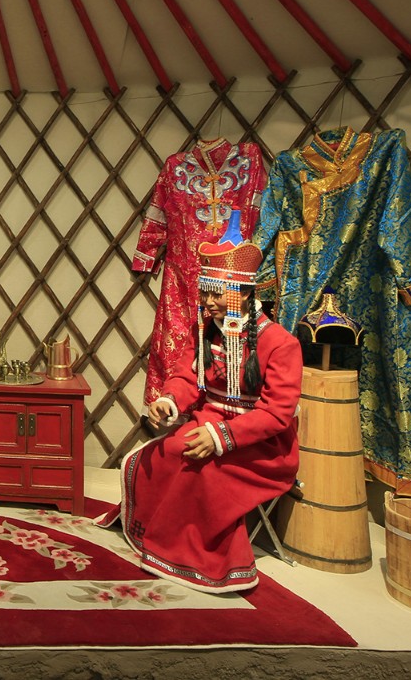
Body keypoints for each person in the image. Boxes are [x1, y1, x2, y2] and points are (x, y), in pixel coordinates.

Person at [95, 221, 300, 593]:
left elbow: (276, 414)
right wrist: (168, 400)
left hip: (261, 446)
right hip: (208, 422)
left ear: (242, 291)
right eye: (205, 292)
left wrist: (221, 437)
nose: (207, 302)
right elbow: (187, 377)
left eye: (217, 294)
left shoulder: (280, 343)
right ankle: (155, 538)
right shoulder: (205, 330)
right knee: (164, 453)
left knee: (203, 471)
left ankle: (196, 557)